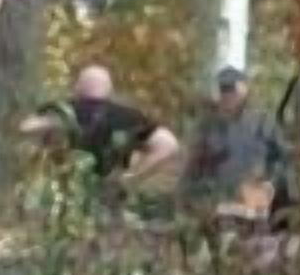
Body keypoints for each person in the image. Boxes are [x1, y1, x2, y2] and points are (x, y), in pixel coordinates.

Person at [17, 64, 181, 192]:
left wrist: (54, 125)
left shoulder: (63, 110)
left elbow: (24, 129)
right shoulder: (129, 117)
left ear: (78, 86)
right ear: (109, 88)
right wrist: (130, 178)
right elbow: (169, 144)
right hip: (108, 193)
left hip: (62, 194)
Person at [184, 64, 293, 218]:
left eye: (232, 90)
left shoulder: (263, 122)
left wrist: (270, 184)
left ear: (243, 90)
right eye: (224, 90)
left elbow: (284, 159)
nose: (228, 95)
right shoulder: (206, 128)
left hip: (259, 201)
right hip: (218, 206)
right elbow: (192, 173)